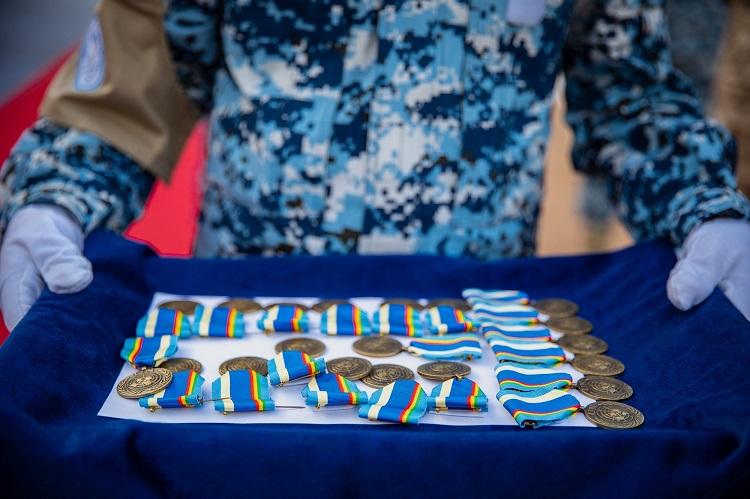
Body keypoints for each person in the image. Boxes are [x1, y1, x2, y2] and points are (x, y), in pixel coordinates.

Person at [0, 0, 748, 331]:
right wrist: (53, 200)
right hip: (242, 340)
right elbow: (128, 89)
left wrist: (705, 207)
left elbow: (630, 97)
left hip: (479, 346)